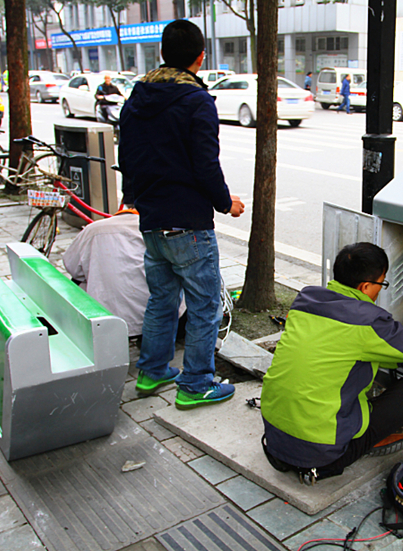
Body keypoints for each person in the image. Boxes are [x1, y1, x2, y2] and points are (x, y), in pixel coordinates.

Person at [119, 19, 246, 409]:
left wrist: (132, 197)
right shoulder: (197, 100)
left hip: (151, 219)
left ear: (162, 53)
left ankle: (152, 370)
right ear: (200, 57)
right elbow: (206, 164)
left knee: (161, 299)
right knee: (205, 306)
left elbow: (127, 155)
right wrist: (225, 203)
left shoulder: (137, 97)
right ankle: (195, 383)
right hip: (188, 223)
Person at [261, 242, 403, 482]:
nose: (380, 291)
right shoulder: (367, 322)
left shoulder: (306, 301)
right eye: (381, 284)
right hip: (321, 454)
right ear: (365, 286)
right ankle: (338, 457)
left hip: (274, 438)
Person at [62, 207, 187, 340]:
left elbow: (73, 268)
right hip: (159, 317)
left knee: (80, 280)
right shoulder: (160, 227)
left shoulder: (93, 229)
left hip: (105, 320)